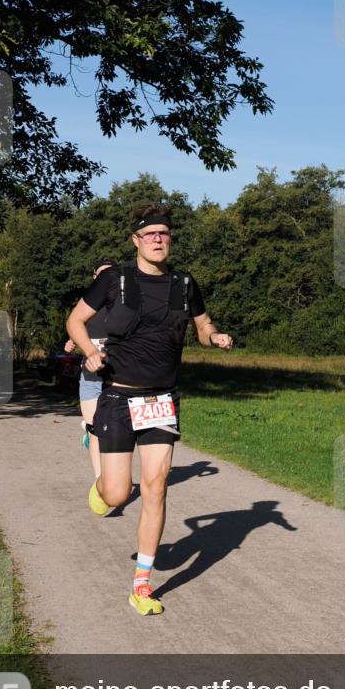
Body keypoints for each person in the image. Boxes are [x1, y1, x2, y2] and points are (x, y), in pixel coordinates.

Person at [66, 202, 233, 616]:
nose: (158, 240)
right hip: (119, 398)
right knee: (118, 494)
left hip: (162, 400)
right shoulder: (116, 280)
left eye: (164, 233)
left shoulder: (185, 283)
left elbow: (202, 325)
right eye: (150, 234)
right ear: (136, 240)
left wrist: (215, 337)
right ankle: (104, 482)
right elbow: (75, 320)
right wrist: (88, 352)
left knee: (156, 487)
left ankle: (142, 585)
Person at [64, 259, 114, 482]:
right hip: (90, 375)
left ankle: (89, 428)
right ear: (95, 278)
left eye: (110, 275)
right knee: (95, 429)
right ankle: (100, 481)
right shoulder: (87, 306)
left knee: (112, 429)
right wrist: (71, 343)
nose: (105, 279)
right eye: (101, 275)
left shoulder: (123, 307)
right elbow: (76, 329)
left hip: (116, 375)